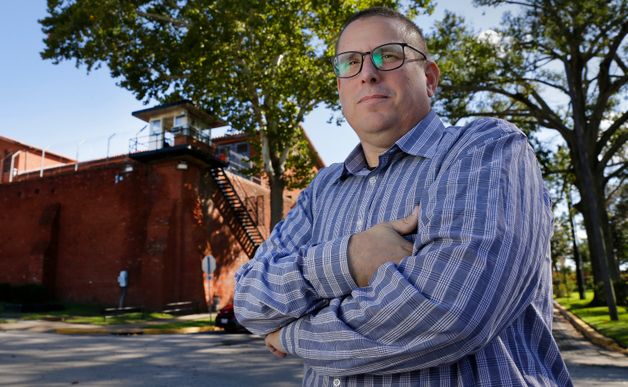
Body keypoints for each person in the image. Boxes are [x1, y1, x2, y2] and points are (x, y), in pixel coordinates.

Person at [233, 6, 572, 386]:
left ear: (429, 77)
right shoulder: (322, 190)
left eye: (388, 55)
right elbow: (249, 300)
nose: (368, 73)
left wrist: (290, 335)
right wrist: (351, 259)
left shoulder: (484, 149)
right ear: (340, 88)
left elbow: (449, 312)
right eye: (351, 62)